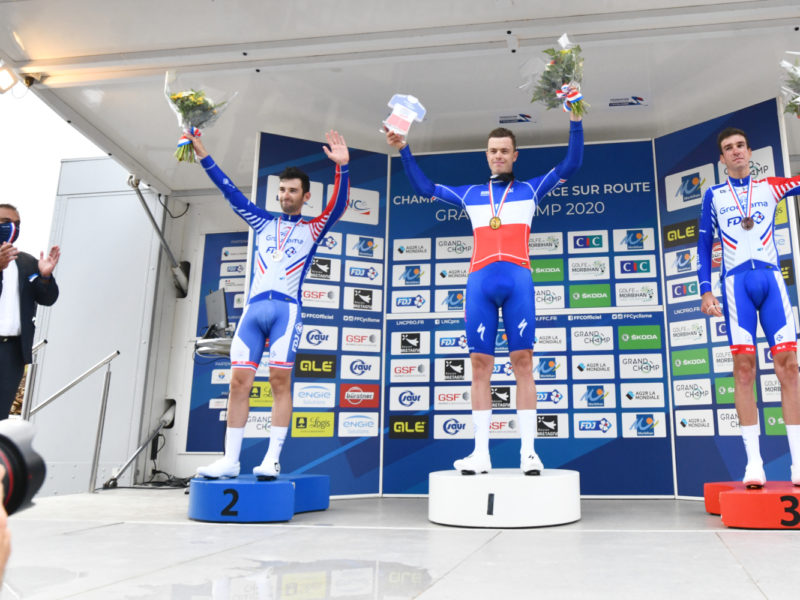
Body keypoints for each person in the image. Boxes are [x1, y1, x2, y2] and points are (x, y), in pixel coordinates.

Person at [386, 106, 583, 475]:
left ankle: (529, 453)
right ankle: (480, 454)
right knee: (480, 366)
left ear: (515, 155)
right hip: (480, 283)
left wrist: (575, 120)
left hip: (518, 280)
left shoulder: (530, 189)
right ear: (486, 155)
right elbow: (425, 189)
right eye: (493, 151)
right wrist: (403, 149)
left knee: (523, 363)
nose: (498, 156)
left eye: (504, 151)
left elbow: (570, 166)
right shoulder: (471, 194)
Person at [188, 130, 350, 480]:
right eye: (282, 190)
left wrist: (343, 168)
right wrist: (203, 154)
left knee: (279, 381)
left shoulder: (313, 228)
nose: (285, 195)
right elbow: (229, 191)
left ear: (305, 196)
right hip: (253, 311)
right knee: (238, 383)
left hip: (285, 312)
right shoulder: (261, 221)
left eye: (292, 190)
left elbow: (338, 207)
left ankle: (272, 459)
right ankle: (230, 461)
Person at [697, 127, 800, 488]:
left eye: (741, 145)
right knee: (743, 370)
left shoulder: (771, 187)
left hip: (771, 281)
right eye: (729, 148)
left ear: (750, 151)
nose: (736, 151)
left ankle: (798, 462)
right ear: (722, 158)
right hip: (735, 285)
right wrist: (705, 290)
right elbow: (704, 243)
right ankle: (754, 463)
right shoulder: (714, 195)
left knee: (789, 368)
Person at [0, 204, 60, 419]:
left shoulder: (26, 262)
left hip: (12, 352)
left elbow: (47, 299)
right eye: (6, 222)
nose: (12, 228)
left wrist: (45, 276)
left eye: (17, 224)